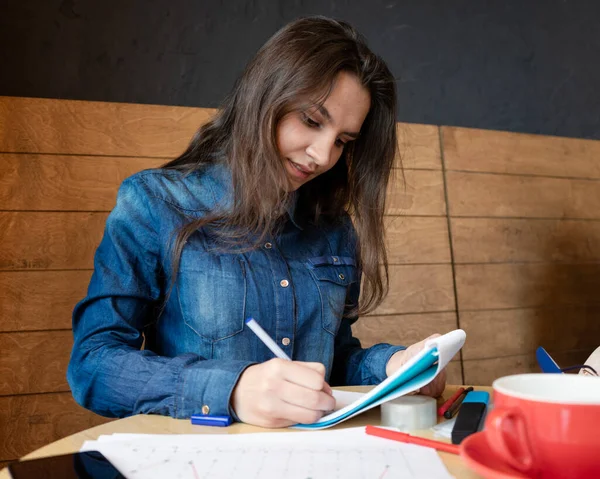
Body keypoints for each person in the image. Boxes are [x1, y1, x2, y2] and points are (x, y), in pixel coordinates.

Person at [67, 15, 446, 428]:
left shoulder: (333, 230)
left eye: (342, 141)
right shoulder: (155, 203)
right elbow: (94, 364)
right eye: (312, 121)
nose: (322, 155)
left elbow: (334, 363)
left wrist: (392, 366)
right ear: (264, 98)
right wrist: (232, 389)